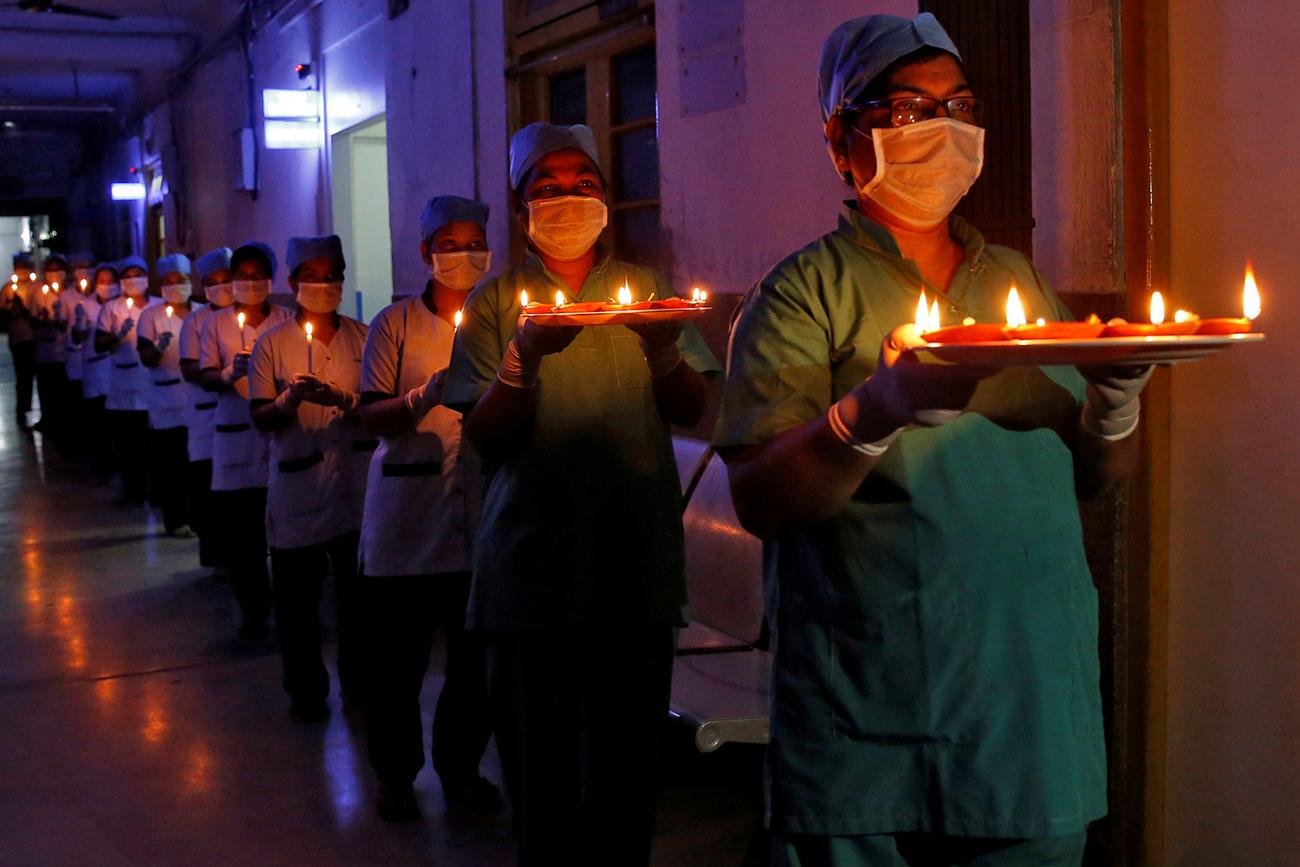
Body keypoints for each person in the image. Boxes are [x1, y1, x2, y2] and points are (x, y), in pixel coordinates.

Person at [712, 14, 1152, 865]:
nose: (943, 128)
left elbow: (1098, 477)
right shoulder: (804, 293)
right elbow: (762, 499)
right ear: (844, 139)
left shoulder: (1016, 282)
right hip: (871, 711)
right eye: (909, 109)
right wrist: (872, 409)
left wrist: (1114, 405)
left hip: (1028, 705)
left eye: (958, 105)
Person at [444, 122, 721, 864]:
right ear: (520, 204)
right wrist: (521, 362)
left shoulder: (651, 290)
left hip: (635, 566)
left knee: (627, 780)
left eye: (584, 185)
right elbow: (488, 439)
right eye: (547, 188)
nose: (568, 199)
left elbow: (694, 408)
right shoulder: (496, 304)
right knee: (542, 784)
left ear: (606, 196)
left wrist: (663, 352)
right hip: (531, 571)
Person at [358, 195, 499, 822]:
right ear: (425, 252)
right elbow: (371, 414)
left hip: (481, 515)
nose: (464, 255)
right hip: (406, 517)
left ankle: (460, 771)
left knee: (474, 667)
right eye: (450, 243)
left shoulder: (502, 318)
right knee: (397, 666)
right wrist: (426, 394)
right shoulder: (395, 325)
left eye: (475, 242)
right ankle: (394, 776)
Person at [248, 235, 371, 722]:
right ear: (293, 282)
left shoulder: (365, 336)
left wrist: (344, 400)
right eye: (312, 277)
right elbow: (261, 416)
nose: (323, 285)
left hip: (354, 485)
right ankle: (305, 689)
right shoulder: (272, 344)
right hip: (297, 484)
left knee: (357, 598)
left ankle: (359, 684)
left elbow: (380, 405)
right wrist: (289, 401)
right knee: (297, 601)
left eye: (332, 276)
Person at [199, 241, 292, 639]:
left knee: (285, 528)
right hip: (235, 436)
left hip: (280, 435)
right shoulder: (214, 324)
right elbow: (201, 375)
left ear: (270, 280)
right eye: (242, 276)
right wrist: (227, 373)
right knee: (243, 534)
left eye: (257, 276)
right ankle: (253, 609)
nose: (250, 283)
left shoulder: (287, 319)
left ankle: (289, 606)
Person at [180, 247, 232, 569]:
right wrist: (220, 375)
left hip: (244, 415)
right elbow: (188, 368)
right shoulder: (196, 320)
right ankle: (214, 553)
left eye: (226, 279)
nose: (220, 286)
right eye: (212, 282)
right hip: (205, 412)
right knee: (208, 484)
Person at [138, 254, 196, 538]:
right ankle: (175, 519)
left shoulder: (201, 312)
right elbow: (146, 358)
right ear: (161, 285)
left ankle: (197, 517)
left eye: (182, 281)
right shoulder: (151, 316)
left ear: (191, 282)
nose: (176, 287)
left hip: (197, 402)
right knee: (172, 464)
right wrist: (158, 348)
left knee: (196, 462)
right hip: (167, 402)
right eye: (169, 282)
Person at [95, 255, 155, 506]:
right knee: (128, 445)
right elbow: (98, 344)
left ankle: (158, 492)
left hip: (155, 387)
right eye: (128, 276)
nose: (133, 280)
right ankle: (133, 491)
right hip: (124, 388)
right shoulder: (112, 308)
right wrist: (118, 335)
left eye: (138, 275)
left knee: (154, 445)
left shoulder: (160, 305)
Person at [77, 264, 117, 482]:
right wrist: (79, 325)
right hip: (95, 368)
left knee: (117, 421)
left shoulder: (123, 304)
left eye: (111, 281)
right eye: (102, 281)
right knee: (99, 420)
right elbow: (77, 338)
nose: (107, 286)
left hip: (118, 370)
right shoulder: (86, 305)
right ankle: (103, 464)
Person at [56, 251, 98, 454]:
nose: (84, 271)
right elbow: (63, 326)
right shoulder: (66, 296)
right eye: (80, 267)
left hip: (97, 357)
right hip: (75, 353)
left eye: (88, 266)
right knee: (77, 398)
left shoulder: (100, 294)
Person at [29, 254, 68, 437]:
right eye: (51, 270)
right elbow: (32, 319)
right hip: (45, 347)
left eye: (58, 269)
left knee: (63, 385)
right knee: (46, 385)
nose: (55, 273)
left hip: (66, 349)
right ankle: (47, 418)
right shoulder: (39, 293)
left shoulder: (70, 293)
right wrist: (42, 319)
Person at [3, 253, 37, 431]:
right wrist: (11, 309)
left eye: (26, 265)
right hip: (18, 338)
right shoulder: (8, 288)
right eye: (20, 266)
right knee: (22, 376)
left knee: (38, 375)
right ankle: (22, 409)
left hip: (36, 339)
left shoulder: (37, 288)